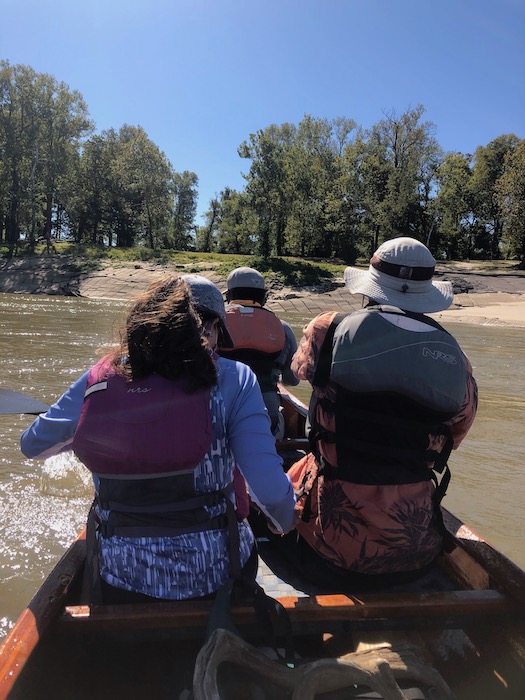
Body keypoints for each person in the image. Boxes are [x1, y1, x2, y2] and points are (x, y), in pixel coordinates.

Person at [20, 274, 296, 603]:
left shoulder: (103, 375)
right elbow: (271, 493)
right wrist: (283, 525)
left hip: (120, 575)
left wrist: (79, 430)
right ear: (212, 328)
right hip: (218, 573)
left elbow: (33, 446)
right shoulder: (235, 377)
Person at [286, 237, 478, 591]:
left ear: (370, 284)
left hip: (330, 552)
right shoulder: (457, 361)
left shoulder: (327, 329)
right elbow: (455, 434)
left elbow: (298, 372)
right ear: (426, 292)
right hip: (415, 554)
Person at [219, 266, 299, 439]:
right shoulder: (282, 328)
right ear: (263, 296)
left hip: (220, 417)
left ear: (229, 296)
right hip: (266, 421)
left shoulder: (214, 325)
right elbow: (292, 380)